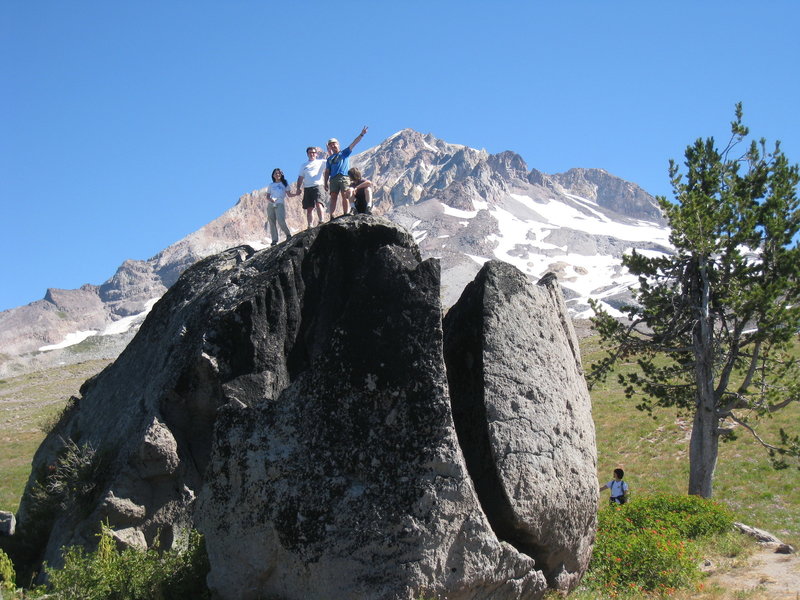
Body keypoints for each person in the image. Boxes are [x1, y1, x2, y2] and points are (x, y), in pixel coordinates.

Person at [324, 126, 368, 219]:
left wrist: (361, 134)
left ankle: (346, 213)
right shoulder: (329, 159)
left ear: (338, 144)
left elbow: (354, 143)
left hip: (344, 177)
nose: (333, 146)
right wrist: (325, 183)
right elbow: (327, 171)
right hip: (333, 178)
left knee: (345, 195)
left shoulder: (344, 153)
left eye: (334, 144)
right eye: (330, 145)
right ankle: (331, 215)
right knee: (333, 197)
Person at [296, 147, 327, 228]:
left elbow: (330, 161)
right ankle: (310, 225)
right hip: (307, 187)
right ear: (307, 154)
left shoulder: (321, 162)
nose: (312, 154)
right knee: (309, 208)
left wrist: (329, 151)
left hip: (318, 185)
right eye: (310, 153)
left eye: (313, 152)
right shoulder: (304, 165)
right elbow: (300, 177)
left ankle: (321, 220)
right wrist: (298, 188)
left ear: (316, 154)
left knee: (319, 203)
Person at [265, 168, 296, 246]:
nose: (277, 175)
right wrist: (270, 199)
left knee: (280, 220)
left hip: (279, 203)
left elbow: (289, 194)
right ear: (273, 175)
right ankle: (274, 240)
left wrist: (296, 194)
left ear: (281, 174)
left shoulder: (284, 184)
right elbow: (267, 196)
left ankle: (288, 234)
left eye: (279, 173)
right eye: (276, 173)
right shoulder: (271, 185)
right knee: (271, 221)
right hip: (271, 204)